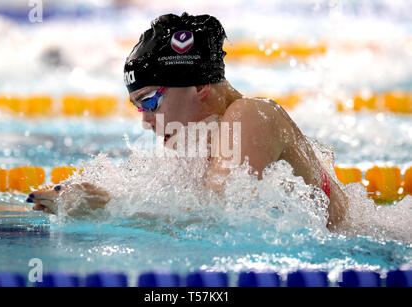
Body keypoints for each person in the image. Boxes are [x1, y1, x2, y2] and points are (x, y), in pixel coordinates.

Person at [28, 13, 348, 230]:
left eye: (151, 101)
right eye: (140, 108)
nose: (147, 122)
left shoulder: (251, 114)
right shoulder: (202, 144)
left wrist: (109, 209)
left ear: (199, 86)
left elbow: (222, 222)